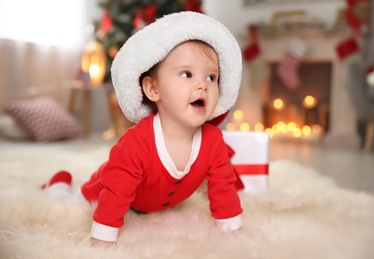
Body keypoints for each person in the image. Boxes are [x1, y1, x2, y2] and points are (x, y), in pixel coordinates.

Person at [42, 11, 243, 245]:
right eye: (187, 74)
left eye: (211, 77)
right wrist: (103, 237)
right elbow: (116, 192)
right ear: (153, 90)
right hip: (103, 190)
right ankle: (57, 185)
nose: (203, 85)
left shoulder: (213, 140)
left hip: (150, 205)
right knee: (70, 205)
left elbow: (223, 188)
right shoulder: (138, 142)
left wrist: (232, 230)